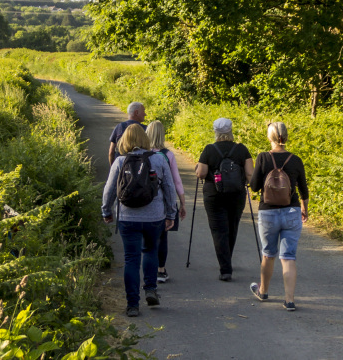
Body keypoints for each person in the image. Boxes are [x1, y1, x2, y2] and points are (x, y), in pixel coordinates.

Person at [102, 124, 177, 318]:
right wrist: (171, 214)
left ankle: (132, 304)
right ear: (145, 140)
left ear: (124, 141)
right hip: (155, 217)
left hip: (128, 218)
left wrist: (106, 211)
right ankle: (151, 289)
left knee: (131, 259)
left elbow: (109, 189)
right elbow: (169, 188)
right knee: (151, 251)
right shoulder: (159, 159)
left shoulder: (120, 161)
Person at [248, 122, 309, 311]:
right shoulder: (296, 159)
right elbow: (303, 189)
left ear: (270, 137)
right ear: (286, 137)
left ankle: (263, 291)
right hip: (291, 211)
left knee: (268, 254)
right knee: (288, 257)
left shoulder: (263, 157)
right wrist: (304, 209)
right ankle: (289, 300)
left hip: (268, 213)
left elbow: (255, 186)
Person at [195, 117, 254, 281]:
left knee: (218, 230)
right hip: (236, 194)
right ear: (231, 131)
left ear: (215, 131)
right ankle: (227, 259)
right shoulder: (242, 150)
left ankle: (225, 268)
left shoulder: (209, 150)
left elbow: (200, 173)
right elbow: (250, 174)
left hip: (214, 195)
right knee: (232, 226)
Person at [146, 121, 187, 283]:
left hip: (145, 200)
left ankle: (148, 269)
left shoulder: (141, 153)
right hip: (162, 201)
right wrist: (182, 204)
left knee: (147, 237)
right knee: (162, 236)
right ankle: (160, 270)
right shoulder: (167, 155)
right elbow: (176, 181)